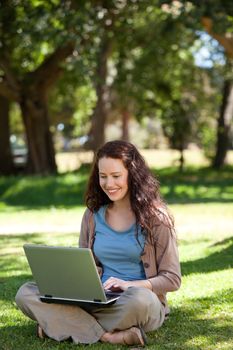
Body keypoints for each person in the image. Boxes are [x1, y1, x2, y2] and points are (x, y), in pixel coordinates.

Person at [15, 140, 181, 346]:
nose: (109, 184)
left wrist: (130, 285)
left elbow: (172, 278)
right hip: (96, 300)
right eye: (103, 176)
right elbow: (83, 264)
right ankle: (109, 336)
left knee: (142, 300)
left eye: (116, 176)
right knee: (25, 293)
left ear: (133, 174)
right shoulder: (93, 215)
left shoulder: (157, 218)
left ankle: (60, 326)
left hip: (133, 301)